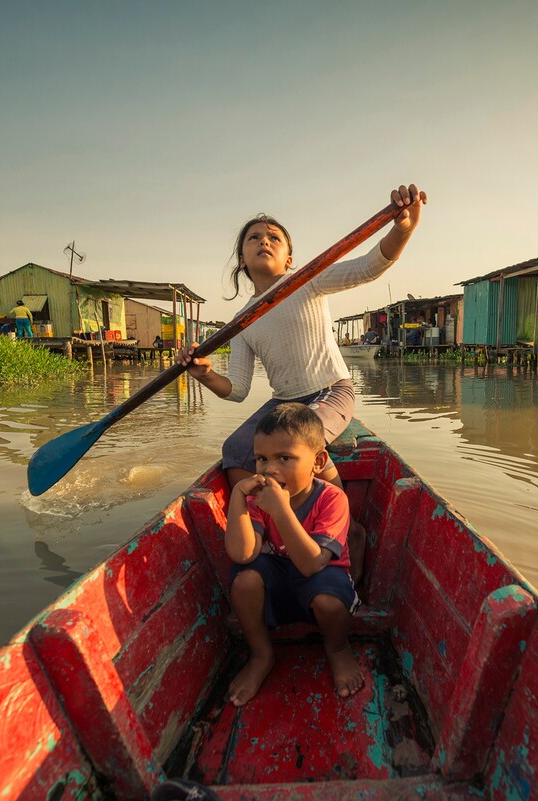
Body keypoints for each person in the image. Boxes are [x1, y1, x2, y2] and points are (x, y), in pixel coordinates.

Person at [176, 184, 426, 583]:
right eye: (254, 238)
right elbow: (237, 389)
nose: (264, 241)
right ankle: (270, 524)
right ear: (242, 259)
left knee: (300, 439)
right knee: (235, 449)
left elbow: (370, 266)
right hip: (285, 400)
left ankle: (347, 530)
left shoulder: (307, 280)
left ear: (289, 257)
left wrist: (403, 228)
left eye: (274, 237)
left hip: (331, 390)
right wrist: (204, 374)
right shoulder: (242, 321)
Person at [225, 403, 360, 706]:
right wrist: (238, 497)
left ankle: (338, 649)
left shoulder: (332, 498)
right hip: (280, 580)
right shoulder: (260, 499)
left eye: (284, 458)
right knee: (244, 581)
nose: (269, 469)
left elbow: (313, 564)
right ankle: (261, 654)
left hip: (320, 577)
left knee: (329, 602)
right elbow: (242, 553)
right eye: (261, 459)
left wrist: (282, 511)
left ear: (318, 461)